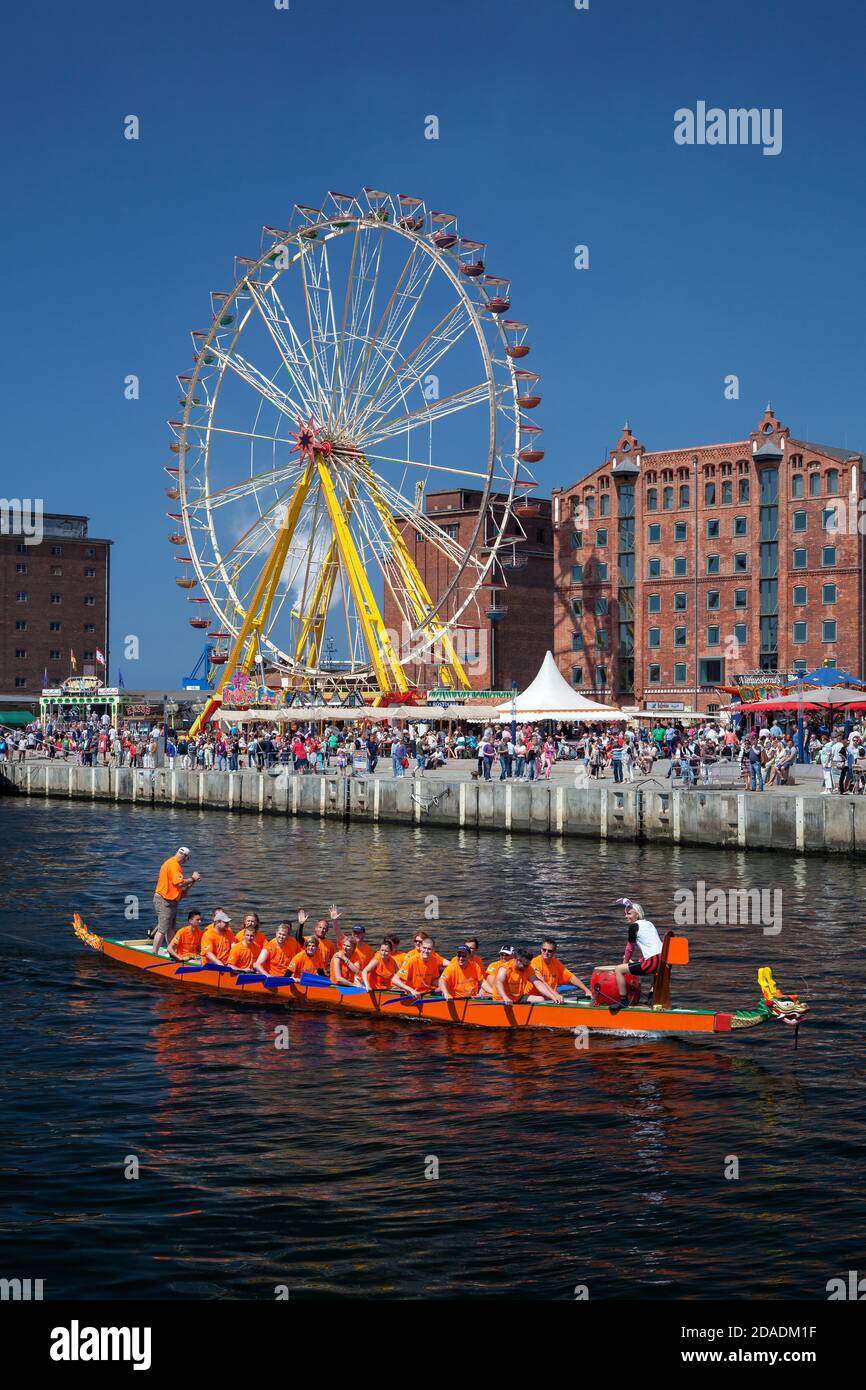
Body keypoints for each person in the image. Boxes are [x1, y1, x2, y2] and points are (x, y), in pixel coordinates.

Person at [599, 898, 664, 1012]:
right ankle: (651, 997)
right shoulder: (649, 924)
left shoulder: (633, 927)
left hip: (652, 963)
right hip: (662, 961)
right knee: (654, 970)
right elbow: (651, 946)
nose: (626, 916)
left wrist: (625, 962)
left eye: (629, 914)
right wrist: (639, 961)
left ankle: (623, 1002)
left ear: (637, 915)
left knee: (619, 970)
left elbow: (629, 948)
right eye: (625, 914)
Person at [151, 846, 201, 954]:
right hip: (164, 900)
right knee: (163, 929)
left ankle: (172, 951)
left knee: (170, 929)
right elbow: (180, 883)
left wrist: (193, 881)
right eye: (186, 859)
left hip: (171, 901)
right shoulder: (174, 865)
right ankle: (154, 954)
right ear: (185, 857)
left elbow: (180, 888)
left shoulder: (172, 863)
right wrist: (192, 878)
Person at [491, 946, 563, 1005]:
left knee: (541, 999)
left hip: (517, 998)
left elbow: (537, 983)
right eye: (525, 964)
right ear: (517, 960)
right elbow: (498, 982)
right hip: (502, 999)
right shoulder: (505, 968)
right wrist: (505, 997)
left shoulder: (528, 968)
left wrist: (553, 996)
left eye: (528, 964)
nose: (526, 967)